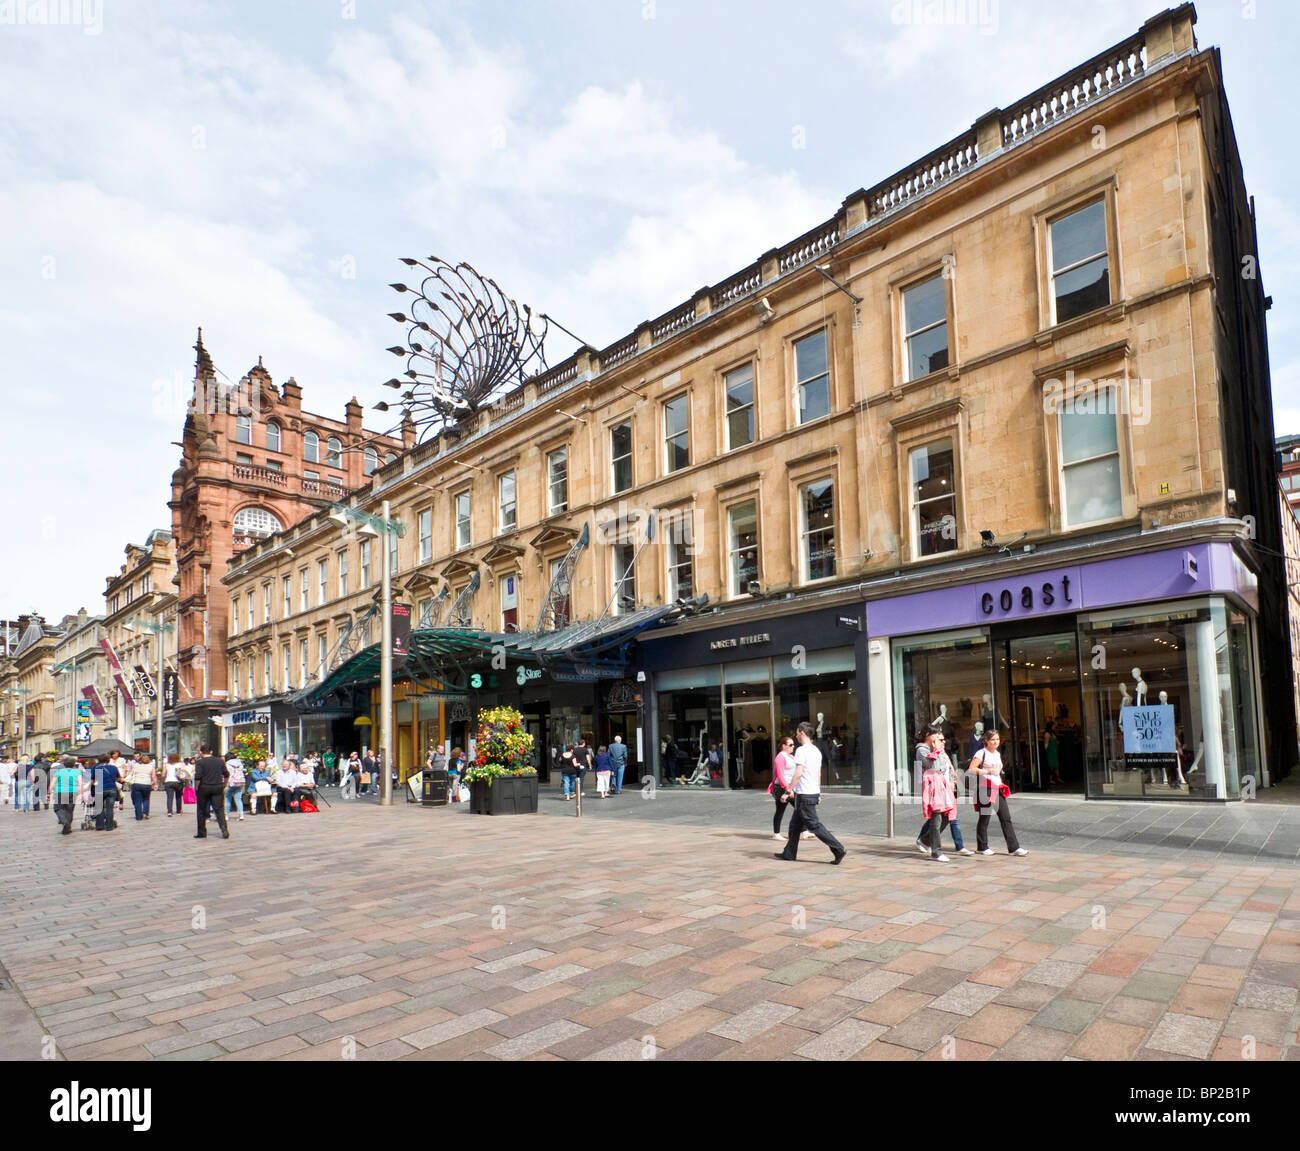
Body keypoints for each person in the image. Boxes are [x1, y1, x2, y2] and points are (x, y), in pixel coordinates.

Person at [773, 721, 846, 865]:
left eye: (797, 732)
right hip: (810, 793)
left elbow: (798, 773)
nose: (796, 736)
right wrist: (818, 793)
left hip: (804, 795)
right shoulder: (816, 751)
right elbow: (818, 774)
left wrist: (788, 791)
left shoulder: (801, 750)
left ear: (801, 732)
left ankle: (838, 849)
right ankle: (789, 853)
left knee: (814, 825)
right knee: (794, 826)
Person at [969, 730, 1027, 856]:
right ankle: (982, 846)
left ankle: (1014, 848)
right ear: (986, 741)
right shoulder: (981, 753)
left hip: (997, 787)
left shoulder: (997, 753)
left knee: (1006, 817)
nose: (996, 742)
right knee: (984, 818)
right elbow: (972, 768)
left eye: (997, 739)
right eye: (992, 739)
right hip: (985, 788)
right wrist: (987, 772)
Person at [914, 731, 972, 857]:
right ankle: (940, 850)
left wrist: (953, 780)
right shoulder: (925, 751)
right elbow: (932, 765)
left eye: (943, 739)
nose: (943, 741)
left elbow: (947, 769)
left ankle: (925, 840)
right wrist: (937, 751)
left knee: (947, 817)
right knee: (939, 819)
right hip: (935, 788)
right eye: (940, 739)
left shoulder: (943, 753)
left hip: (946, 788)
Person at [192, 745, 229, 839]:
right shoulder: (220, 761)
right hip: (217, 786)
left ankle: (202, 832)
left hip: (204, 787)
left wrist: (197, 787)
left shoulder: (200, 762)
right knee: (219, 809)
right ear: (211, 752)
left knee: (201, 810)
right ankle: (224, 828)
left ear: (201, 752)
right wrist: (224, 784)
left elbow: (198, 777)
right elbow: (226, 774)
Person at [769, 736, 796, 841]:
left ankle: (804, 831)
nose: (793, 746)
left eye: (793, 744)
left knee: (799, 808)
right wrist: (787, 790)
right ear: (784, 746)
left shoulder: (791, 757)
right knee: (780, 810)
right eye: (790, 745)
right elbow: (780, 776)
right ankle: (776, 834)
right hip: (781, 788)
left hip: (790, 787)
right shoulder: (780, 757)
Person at [51, 754, 83, 836]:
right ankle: (68, 825)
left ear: (64, 764)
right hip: (73, 792)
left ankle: (65, 823)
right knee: (69, 809)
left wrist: (48, 792)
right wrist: (81, 793)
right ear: (73, 764)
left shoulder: (58, 772)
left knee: (58, 808)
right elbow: (80, 783)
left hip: (60, 791)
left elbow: (53, 783)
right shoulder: (77, 772)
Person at [91, 755, 120, 831]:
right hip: (111, 788)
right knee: (109, 809)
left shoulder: (97, 769)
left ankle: (100, 826)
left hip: (100, 788)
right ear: (108, 760)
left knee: (99, 808)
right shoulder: (114, 768)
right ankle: (109, 826)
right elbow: (118, 778)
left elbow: (93, 781)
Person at [126, 754, 157, 821]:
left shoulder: (136, 766)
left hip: (137, 784)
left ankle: (138, 816)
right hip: (147, 784)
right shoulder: (151, 767)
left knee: (137, 801)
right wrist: (155, 784)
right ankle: (145, 813)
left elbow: (130, 774)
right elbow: (153, 777)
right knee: (146, 799)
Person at [225, 756, 247, 821]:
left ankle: (226, 815)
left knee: (227, 798)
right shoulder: (240, 763)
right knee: (238, 798)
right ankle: (241, 814)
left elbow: (226, 773)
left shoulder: (227, 764)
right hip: (239, 782)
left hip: (231, 782)